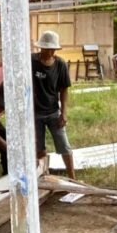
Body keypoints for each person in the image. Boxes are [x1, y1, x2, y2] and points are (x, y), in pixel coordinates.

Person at [33, 31, 75, 180]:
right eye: (46, 49)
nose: (49, 52)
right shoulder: (31, 61)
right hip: (35, 113)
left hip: (53, 111)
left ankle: (72, 178)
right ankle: (44, 177)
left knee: (64, 146)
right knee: (39, 148)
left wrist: (64, 113)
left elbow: (64, 90)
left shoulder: (60, 65)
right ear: (41, 48)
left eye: (52, 49)